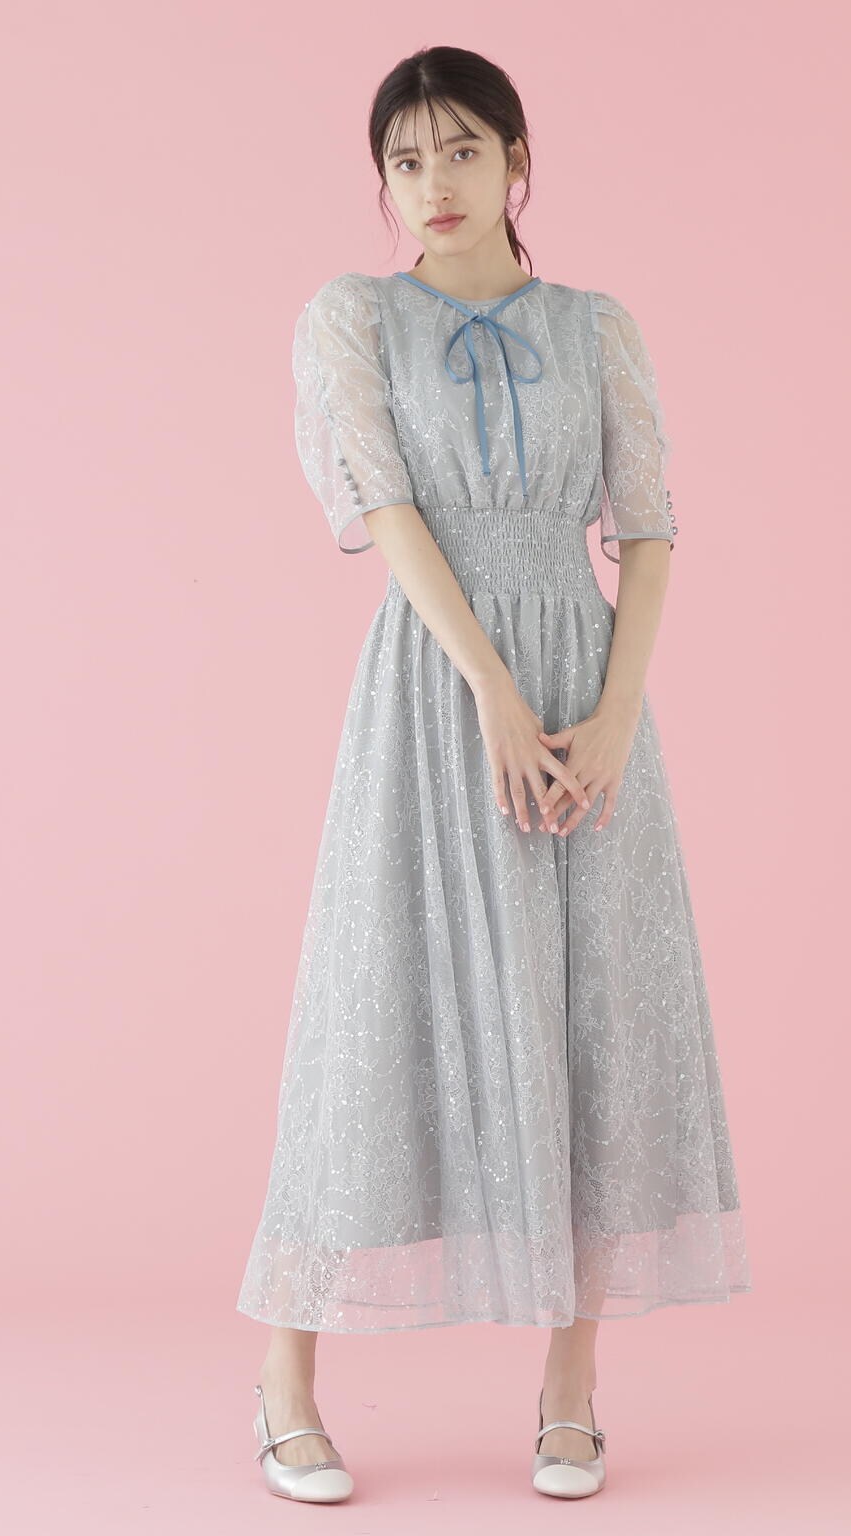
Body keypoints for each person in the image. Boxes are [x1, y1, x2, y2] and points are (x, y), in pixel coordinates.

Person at [237, 45, 752, 1504]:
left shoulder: (597, 327)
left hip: (588, 698)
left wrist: (613, 713)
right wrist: (493, 694)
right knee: (372, 1005)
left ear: (519, 162)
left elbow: (645, 526)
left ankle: (571, 1386)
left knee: (593, 1011)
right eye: (404, 160)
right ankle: (284, 1381)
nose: (433, 184)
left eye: (461, 150)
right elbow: (388, 508)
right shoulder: (353, 316)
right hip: (437, 688)